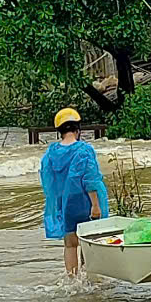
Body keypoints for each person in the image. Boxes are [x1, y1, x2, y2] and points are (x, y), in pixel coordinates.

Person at [39, 107, 106, 277]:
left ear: (59, 131)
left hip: (65, 202)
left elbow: (47, 180)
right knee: (88, 241)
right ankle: (88, 278)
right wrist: (96, 205)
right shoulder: (84, 150)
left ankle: (72, 280)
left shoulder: (51, 153)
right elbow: (90, 179)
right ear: (78, 129)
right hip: (83, 201)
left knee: (69, 244)